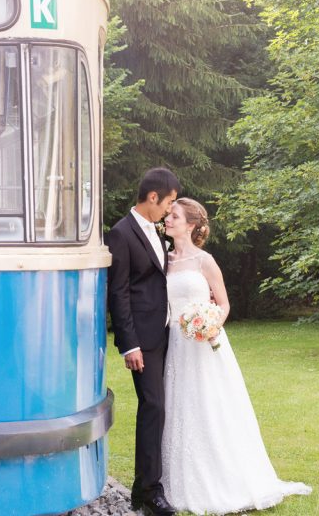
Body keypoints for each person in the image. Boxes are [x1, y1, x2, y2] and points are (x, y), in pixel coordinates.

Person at [160, 198, 312, 514]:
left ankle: (225, 478)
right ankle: (178, 478)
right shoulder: (164, 260)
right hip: (174, 342)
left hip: (203, 343)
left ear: (190, 224)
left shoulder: (205, 261)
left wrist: (210, 325)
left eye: (174, 216)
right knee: (178, 405)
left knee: (210, 405)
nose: (167, 219)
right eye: (168, 215)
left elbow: (224, 304)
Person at [106, 167, 181, 516]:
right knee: (153, 407)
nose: (169, 209)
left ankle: (142, 489)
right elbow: (118, 292)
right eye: (168, 202)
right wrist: (129, 344)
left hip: (165, 333)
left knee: (161, 407)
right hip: (143, 340)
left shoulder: (154, 229)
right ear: (153, 197)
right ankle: (150, 491)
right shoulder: (121, 234)